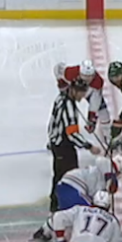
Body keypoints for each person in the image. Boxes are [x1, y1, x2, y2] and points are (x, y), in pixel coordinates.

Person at [45, 80, 103, 223]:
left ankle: (55, 205)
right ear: (75, 91)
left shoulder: (61, 97)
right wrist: (89, 146)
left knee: (59, 175)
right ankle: (63, 208)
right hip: (63, 146)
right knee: (69, 177)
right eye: (82, 93)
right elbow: (72, 134)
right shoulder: (69, 107)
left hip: (57, 145)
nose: (83, 97)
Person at [32, 156, 119, 241]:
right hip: (73, 186)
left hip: (66, 186)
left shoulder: (99, 176)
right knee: (86, 212)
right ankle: (82, 236)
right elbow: (102, 161)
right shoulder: (106, 166)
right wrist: (110, 177)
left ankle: (45, 229)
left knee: (68, 214)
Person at [55, 60, 109, 139]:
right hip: (73, 91)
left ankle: (108, 134)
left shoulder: (97, 82)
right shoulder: (70, 73)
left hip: (89, 92)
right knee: (64, 111)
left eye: (90, 76)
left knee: (103, 110)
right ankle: (58, 134)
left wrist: (91, 119)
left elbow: (95, 102)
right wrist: (62, 85)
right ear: (80, 73)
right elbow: (57, 69)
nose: (87, 79)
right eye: (84, 76)